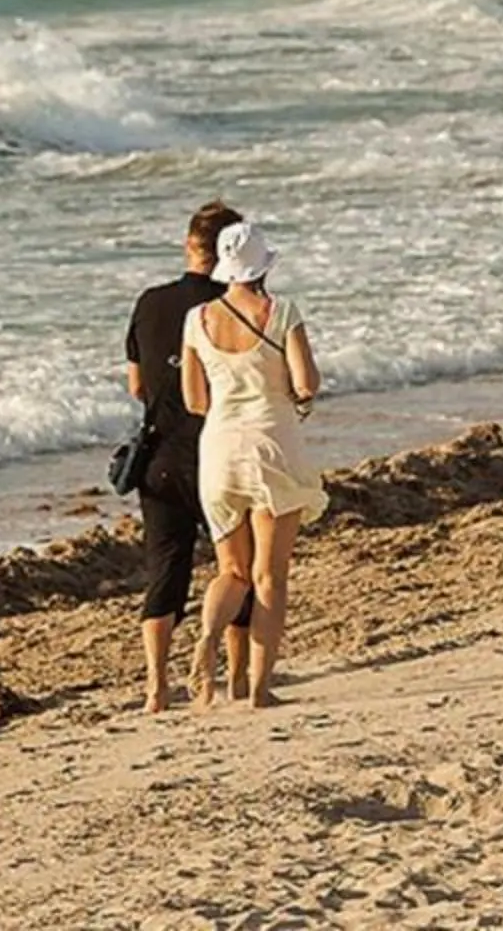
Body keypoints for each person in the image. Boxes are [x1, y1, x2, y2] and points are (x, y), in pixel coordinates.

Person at [179, 218, 325, 709]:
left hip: (218, 449)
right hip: (272, 446)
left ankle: (208, 637)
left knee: (231, 571)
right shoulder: (281, 311)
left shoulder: (197, 319)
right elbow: (306, 382)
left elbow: (194, 399)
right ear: (263, 267)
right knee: (269, 577)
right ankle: (260, 689)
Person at [122, 199, 251, 713]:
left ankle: (156, 686)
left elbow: (136, 385)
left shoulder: (149, 302)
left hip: (159, 458)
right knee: (237, 568)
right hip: (219, 452)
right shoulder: (235, 306)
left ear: (187, 247)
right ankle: (237, 679)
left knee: (164, 570)